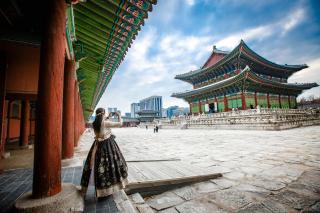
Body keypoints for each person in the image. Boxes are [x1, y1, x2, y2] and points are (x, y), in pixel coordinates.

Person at [80, 108, 128, 198]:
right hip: (108, 146)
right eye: (105, 113)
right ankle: (109, 189)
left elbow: (103, 125)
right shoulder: (105, 123)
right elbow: (120, 124)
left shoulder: (95, 123)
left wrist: (107, 117)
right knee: (110, 165)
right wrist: (119, 116)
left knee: (99, 166)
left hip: (97, 145)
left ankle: (101, 189)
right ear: (103, 114)